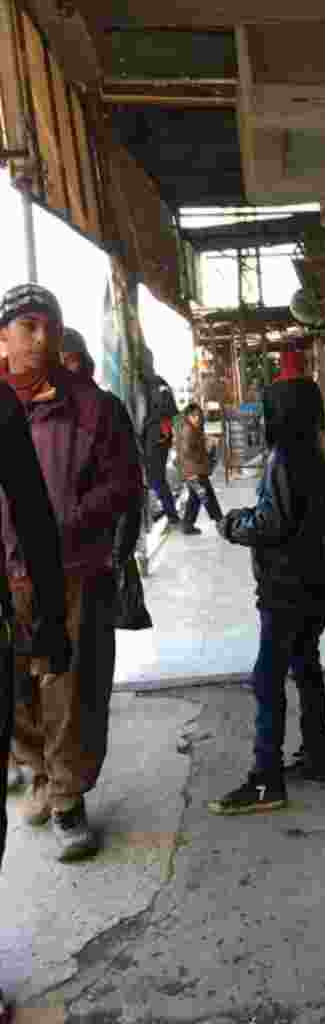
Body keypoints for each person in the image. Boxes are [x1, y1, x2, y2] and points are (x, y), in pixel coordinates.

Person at [0, 284, 143, 862]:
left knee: (69, 688)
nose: (42, 336)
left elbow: (124, 484)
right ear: (3, 335)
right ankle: (36, 773)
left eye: (49, 325)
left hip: (71, 572)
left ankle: (68, 799)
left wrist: (65, 523)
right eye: (28, 325)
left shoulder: (94, 406)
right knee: (16, 690)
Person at [210, 376, 325, 815]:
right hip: (315, 588)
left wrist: (232, 524)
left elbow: (273, 524)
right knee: (307, 668)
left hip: (286, 590)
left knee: (267, 678)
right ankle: (316, 758)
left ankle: (266, 779)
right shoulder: (316, 459)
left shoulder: (284, 458)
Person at [0, 372, 71, 1022]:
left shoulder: (87, 413)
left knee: (52, 694)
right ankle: (40, 774)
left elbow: (33, 508)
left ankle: (60, 786)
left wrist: (50, 612)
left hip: (31, 587)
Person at [61, 327, 149, 631]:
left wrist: (114, 557)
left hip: (88, 562)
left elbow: (127, 488)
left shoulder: (99, 408)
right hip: (71, 562)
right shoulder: (42, 410)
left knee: (84, 658)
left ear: (70, 360)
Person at [178, 402, 223, 536]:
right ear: (188, 416)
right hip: (194, 472)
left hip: (193, 470)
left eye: (198, 415)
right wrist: (206, 449)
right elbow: (187, 451)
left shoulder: (192, 427)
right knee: (208, 496)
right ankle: (221, 522)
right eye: (193, 416)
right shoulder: (189, 430)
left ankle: (187, 525)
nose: (196, 418)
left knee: (195, 498)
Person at [142, 373, 180, 528]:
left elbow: (170, 410)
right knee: (156, 479)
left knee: (156, 479)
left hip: (157, 439)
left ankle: (170, 514)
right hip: (157, 439)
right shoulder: (158, 385)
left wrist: (148, 422)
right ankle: (167, 512)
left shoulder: (156, 386)